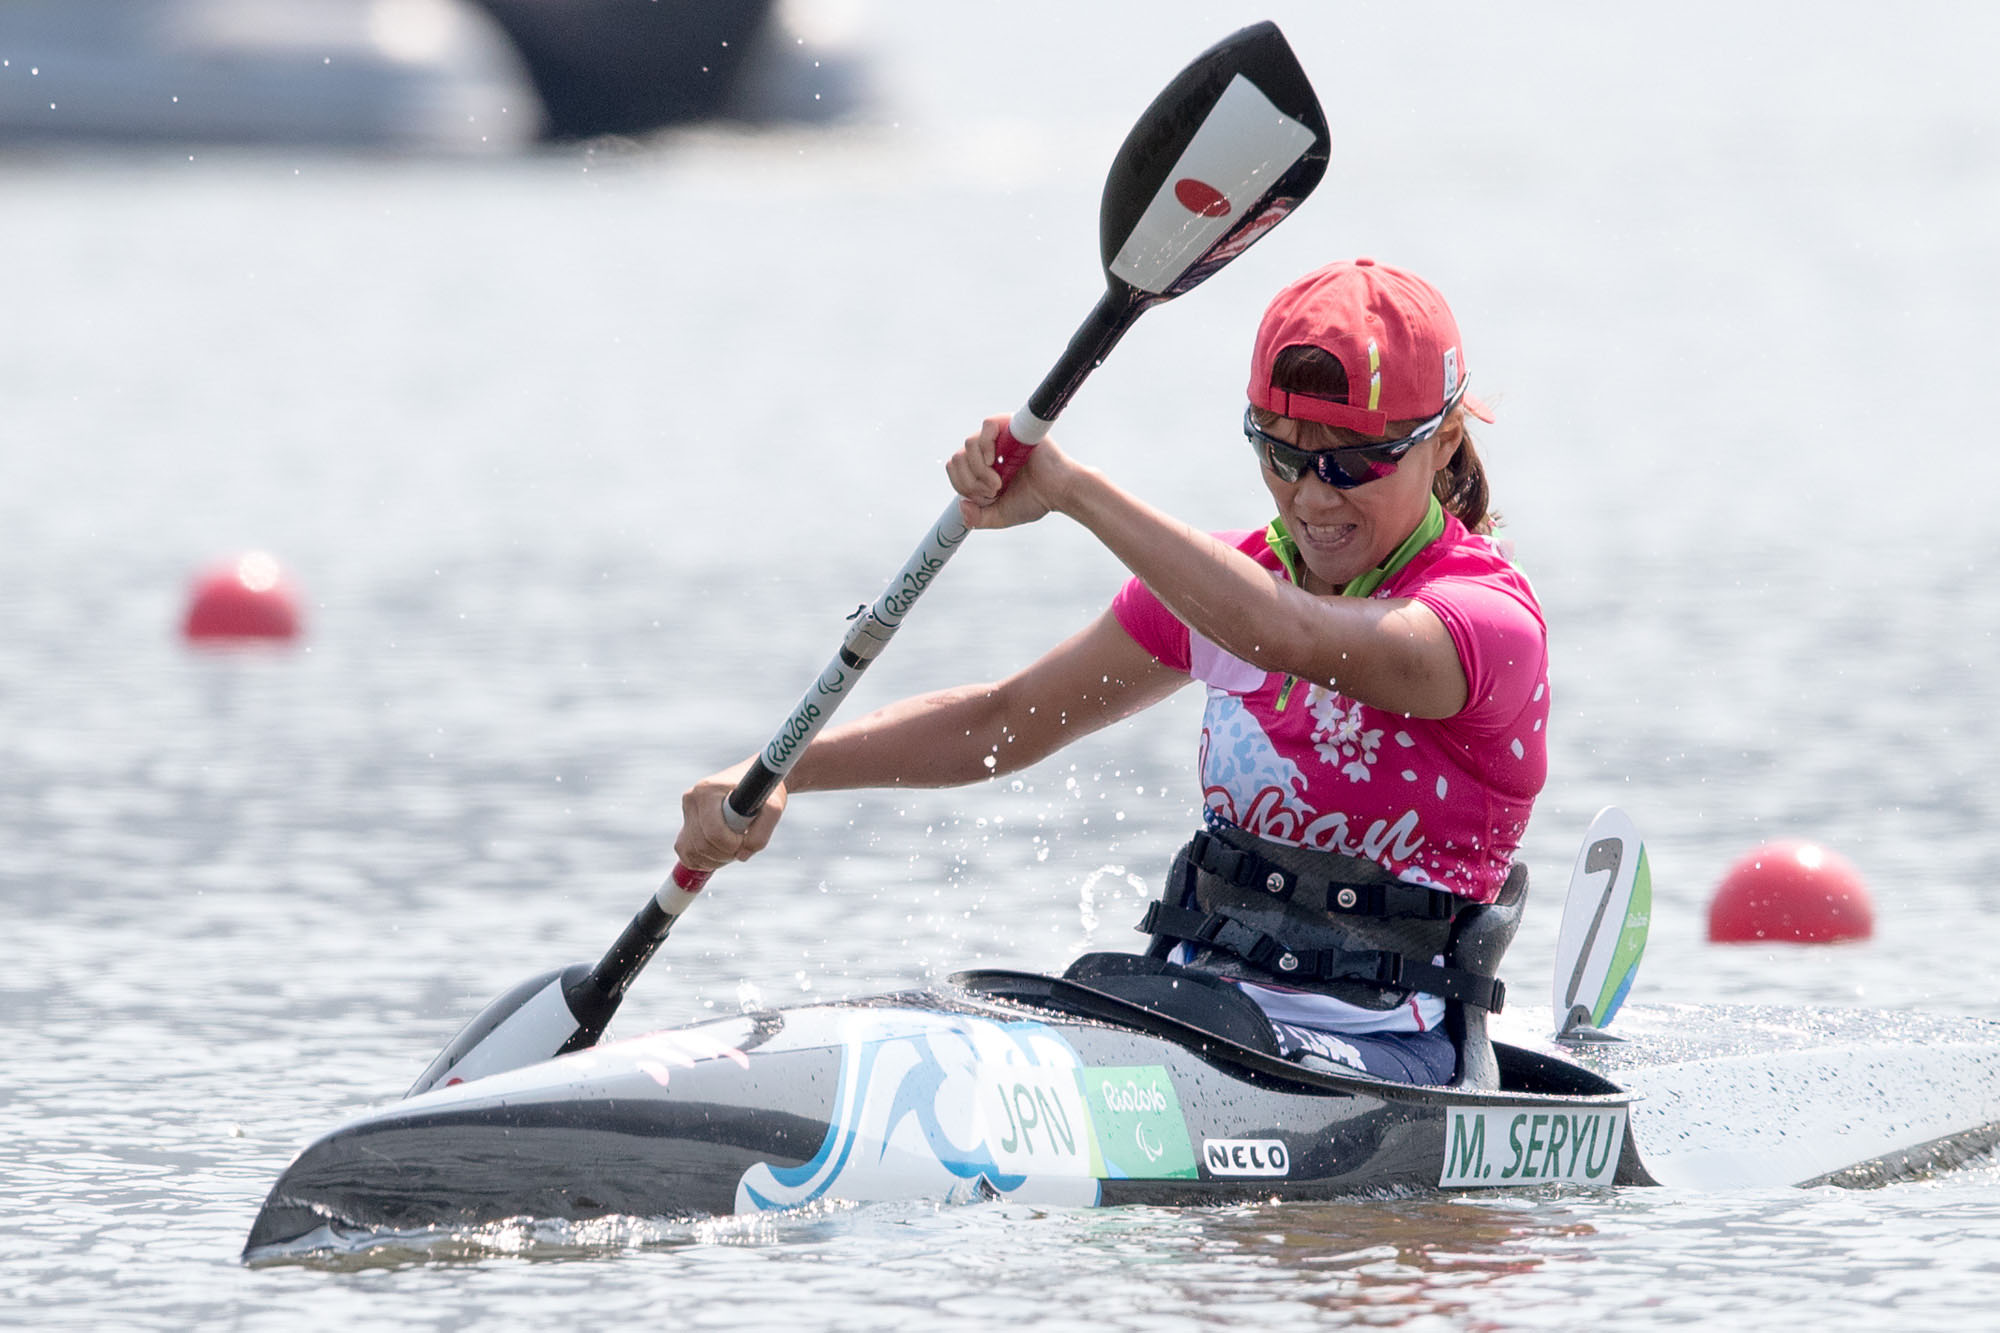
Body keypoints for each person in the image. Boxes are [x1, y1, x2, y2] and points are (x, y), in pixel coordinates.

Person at [676, 258, 1549, 1086]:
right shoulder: (1224, 588)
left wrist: (1073, 490)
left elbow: (1290, 634)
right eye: (1281, 454)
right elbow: (999, 720)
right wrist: (778, 771)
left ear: (1443, 444)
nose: (1314, 495)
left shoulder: (1484, 624)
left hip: (1386, 1053)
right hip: (1192, 1012)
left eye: (1353, 462)